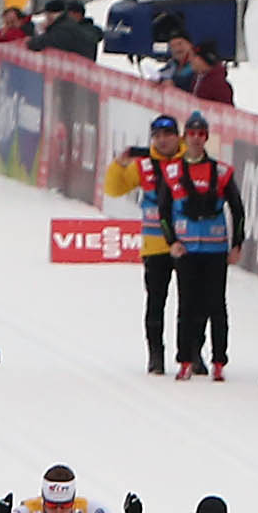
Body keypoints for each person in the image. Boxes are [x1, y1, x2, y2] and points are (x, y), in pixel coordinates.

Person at [105, 115, 187, 378]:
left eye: (168, 135)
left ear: (178, 136)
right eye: (157, 136)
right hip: (155, 244)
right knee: (155, 304)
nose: (163, 141)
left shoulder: (189, 161)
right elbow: (114, 189)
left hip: (188, 244)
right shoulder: (144, 165)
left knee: (191, 305)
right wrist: (120, 163)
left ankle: (191, 354)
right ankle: (155, 356)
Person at [169, 146, 246, 381]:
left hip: (215, 248)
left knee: (216, 306)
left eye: (200, 134)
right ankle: (185, 361)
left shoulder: (221, 171)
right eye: (191, 133)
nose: (195, 139)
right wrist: (171, 241)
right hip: (187, 249)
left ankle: (219, 361)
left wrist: (237, 244)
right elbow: (164, 209)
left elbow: (238, 210)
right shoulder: (174, 171)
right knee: (186, 305)